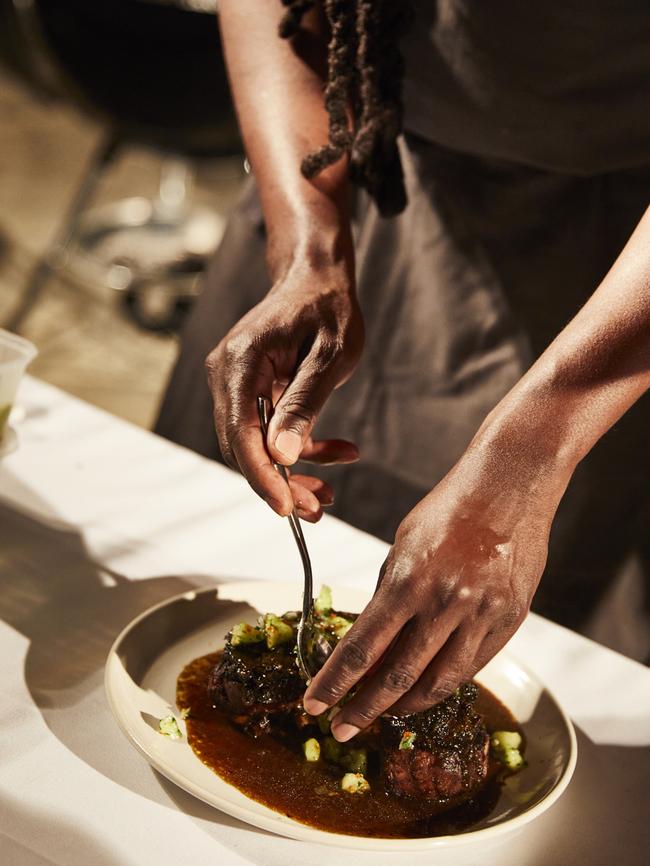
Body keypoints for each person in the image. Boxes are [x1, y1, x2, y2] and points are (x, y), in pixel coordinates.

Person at [156, 1, 650, 742]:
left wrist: (529, 451)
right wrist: (308, 250)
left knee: (466, 656)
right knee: (187, 588)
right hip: (337, 165)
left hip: (606, 294)